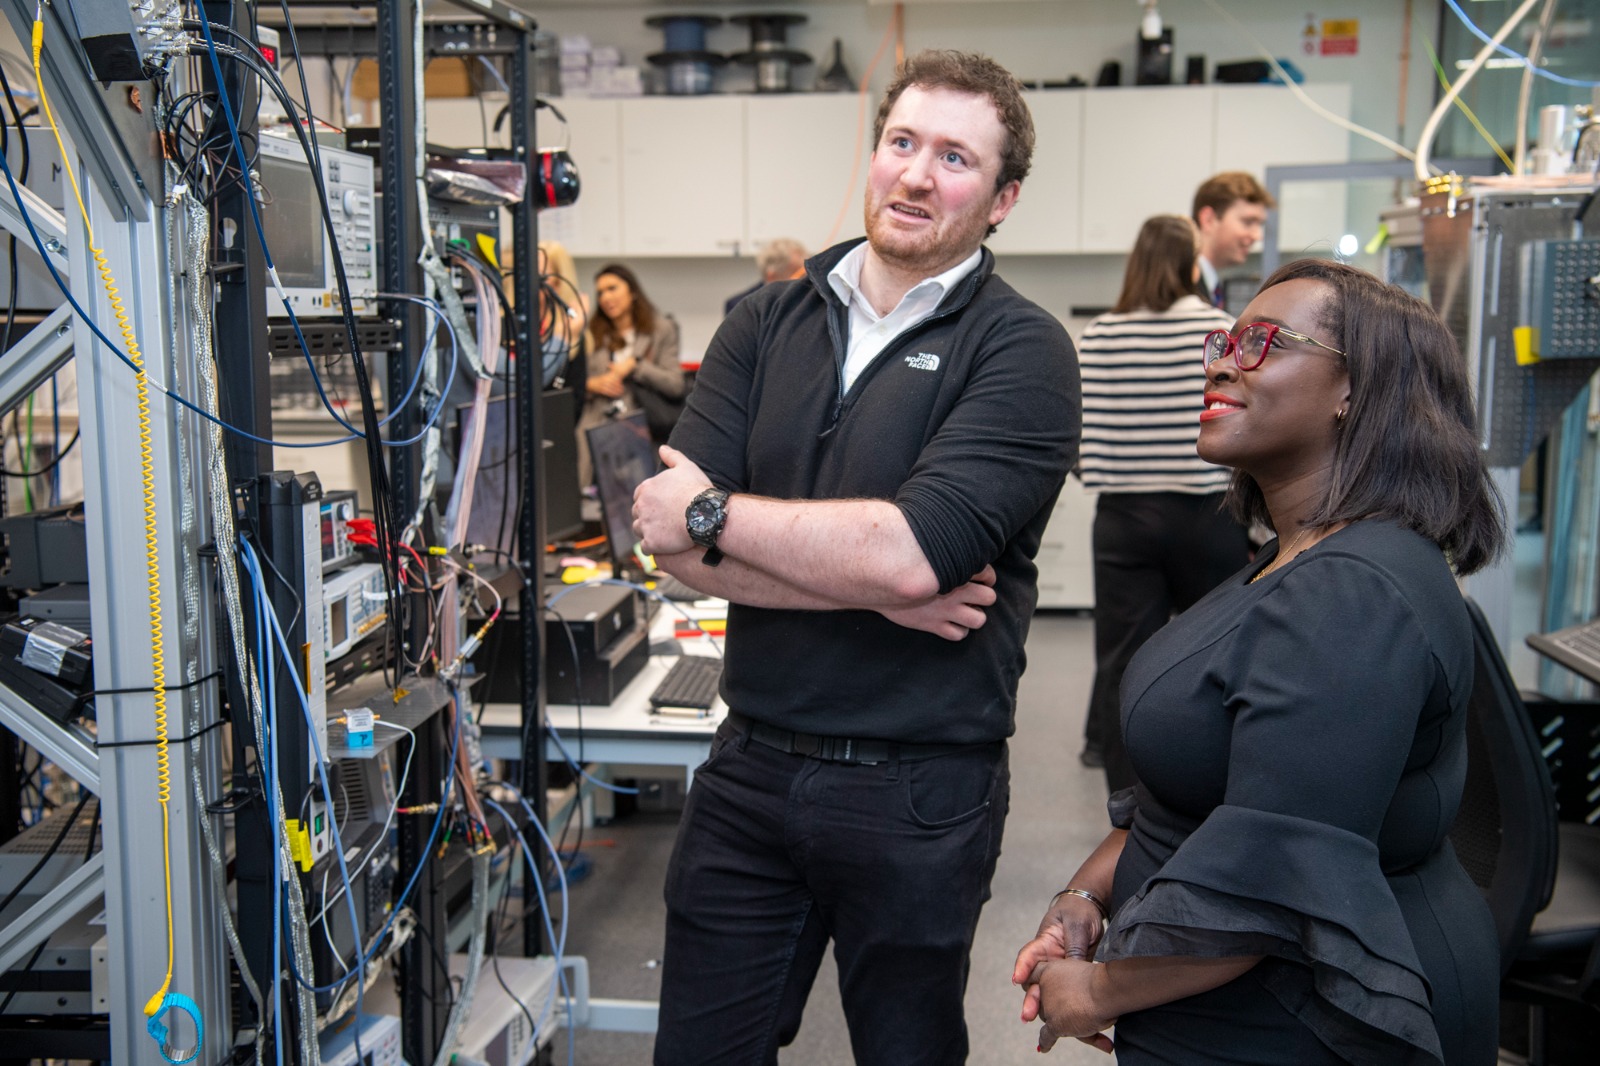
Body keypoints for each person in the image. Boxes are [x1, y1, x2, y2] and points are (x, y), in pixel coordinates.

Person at [631, 49, 1080, 1066]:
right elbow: (667, 543)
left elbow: (909, 553)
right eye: (902, 143)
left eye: (955, 159)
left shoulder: (1024, 351)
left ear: (1002, 199)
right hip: (748, 770)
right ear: (874, 157)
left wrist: (719, 511)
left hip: (917, 790)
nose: (918, 174)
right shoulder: (763, 320)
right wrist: (871, 585)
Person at [1013, 259, 1507, 1065]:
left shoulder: (1352, 593)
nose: (1219, 361)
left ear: (1359, 389)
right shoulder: (1293, 558)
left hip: (1301, 1018)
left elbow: (1277, 873)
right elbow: (1201, 795)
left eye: (1263, 343)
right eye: (1224, 340)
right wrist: (1085, 893)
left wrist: (1096, 993)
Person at [1076, 214, 1249, 788]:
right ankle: (1205, 783)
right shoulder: (1219, 330)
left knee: (1124, 660)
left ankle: (1127, 801)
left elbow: (1078, 431)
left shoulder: (1100, 334)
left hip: (1123, 517)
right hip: (1206, 516)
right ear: (1188, 261)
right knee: (1216, 653)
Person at [578, 262, 684, 482]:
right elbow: (574, 381)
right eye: (600, 292)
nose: (606, 298)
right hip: (597, 428)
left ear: (632, 291)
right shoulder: (590, 332)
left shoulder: (660, 329)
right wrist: (592, 384)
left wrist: (636, 366)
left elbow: (675, 384)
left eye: (612, 288)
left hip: (641, 431)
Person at [1192, 171, 1274, 308]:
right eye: (1248, 222)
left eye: (1259, 224)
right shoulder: (1180, 288)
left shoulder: (1212, 288)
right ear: (1208, 220)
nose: (1258, 236)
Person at [723, 237, 808, 314]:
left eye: (806, 275)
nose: (805, 281)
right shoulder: (740, 306)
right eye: (798, 275)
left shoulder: (807, 301)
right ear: (772, 277)